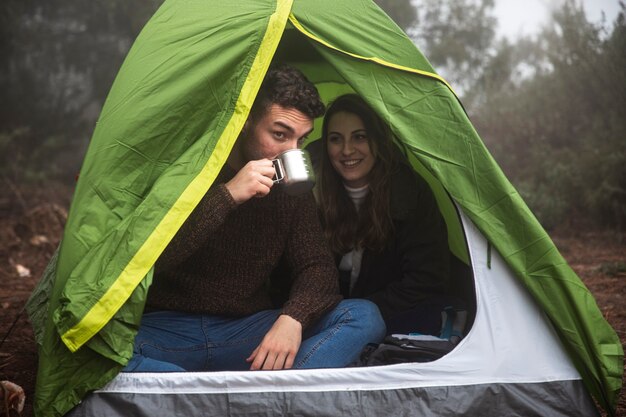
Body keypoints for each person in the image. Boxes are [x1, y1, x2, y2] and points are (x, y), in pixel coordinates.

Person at [124, 67, 385, 373]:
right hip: (166, 330)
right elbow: (151, 259)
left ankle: (268, 396)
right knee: (98, 352)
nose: (292, 151)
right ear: (245, 121)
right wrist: (228, 196)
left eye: (302, 139)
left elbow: (317, 268)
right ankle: (224, 400)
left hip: (246, 333)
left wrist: (293, 319)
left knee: (364, 316)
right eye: (279, 134)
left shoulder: (290, 187)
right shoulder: (191, 169)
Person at [316, 94, 453, 335]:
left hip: (400, 318)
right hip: (330, 320)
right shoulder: (315, 194)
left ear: (377, 141)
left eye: (359, 137)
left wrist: (357, 314)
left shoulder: (409, 193)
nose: (347, 150)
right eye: (336, 139)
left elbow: (426, 279)